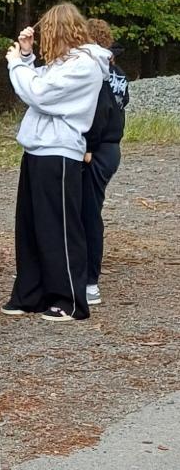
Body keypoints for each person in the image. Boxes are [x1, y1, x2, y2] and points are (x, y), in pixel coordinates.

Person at [3, 3, 110, 322]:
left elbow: (39, 93)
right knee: (31, 226)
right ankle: (32, 294)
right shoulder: (63, 62)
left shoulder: (85, 65)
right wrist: (26, 57)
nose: (44, 39)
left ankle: (70, 299)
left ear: (60, 32)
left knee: (60, 228)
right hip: (38, 150)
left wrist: (16, 65)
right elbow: (37, 82)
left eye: (47, 32)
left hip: (60, 152)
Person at [81, 18, 129, 307]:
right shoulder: (118, 72)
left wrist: (88, 147)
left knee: (88, 212)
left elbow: (100, 111)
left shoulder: (97, 72)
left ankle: (90, 281)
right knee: (91, 208)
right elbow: (123, 103)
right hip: (112, 148)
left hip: (97, 148)